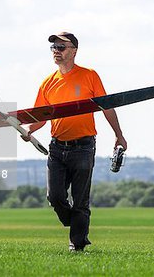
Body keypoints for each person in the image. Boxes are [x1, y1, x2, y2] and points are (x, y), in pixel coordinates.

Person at [22, 32, 127, 252]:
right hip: (57, 147)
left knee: (81, 200)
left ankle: (77, 244)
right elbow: (41, 117)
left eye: (61, 47)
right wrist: (28, 130)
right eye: (53, 48)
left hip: (84, 147)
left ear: (74, 51)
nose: (56, 51)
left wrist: (118, 135)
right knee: (55, 197)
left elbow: (106, 106)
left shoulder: (89, 76)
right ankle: (76, 223)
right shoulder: (47, 83)